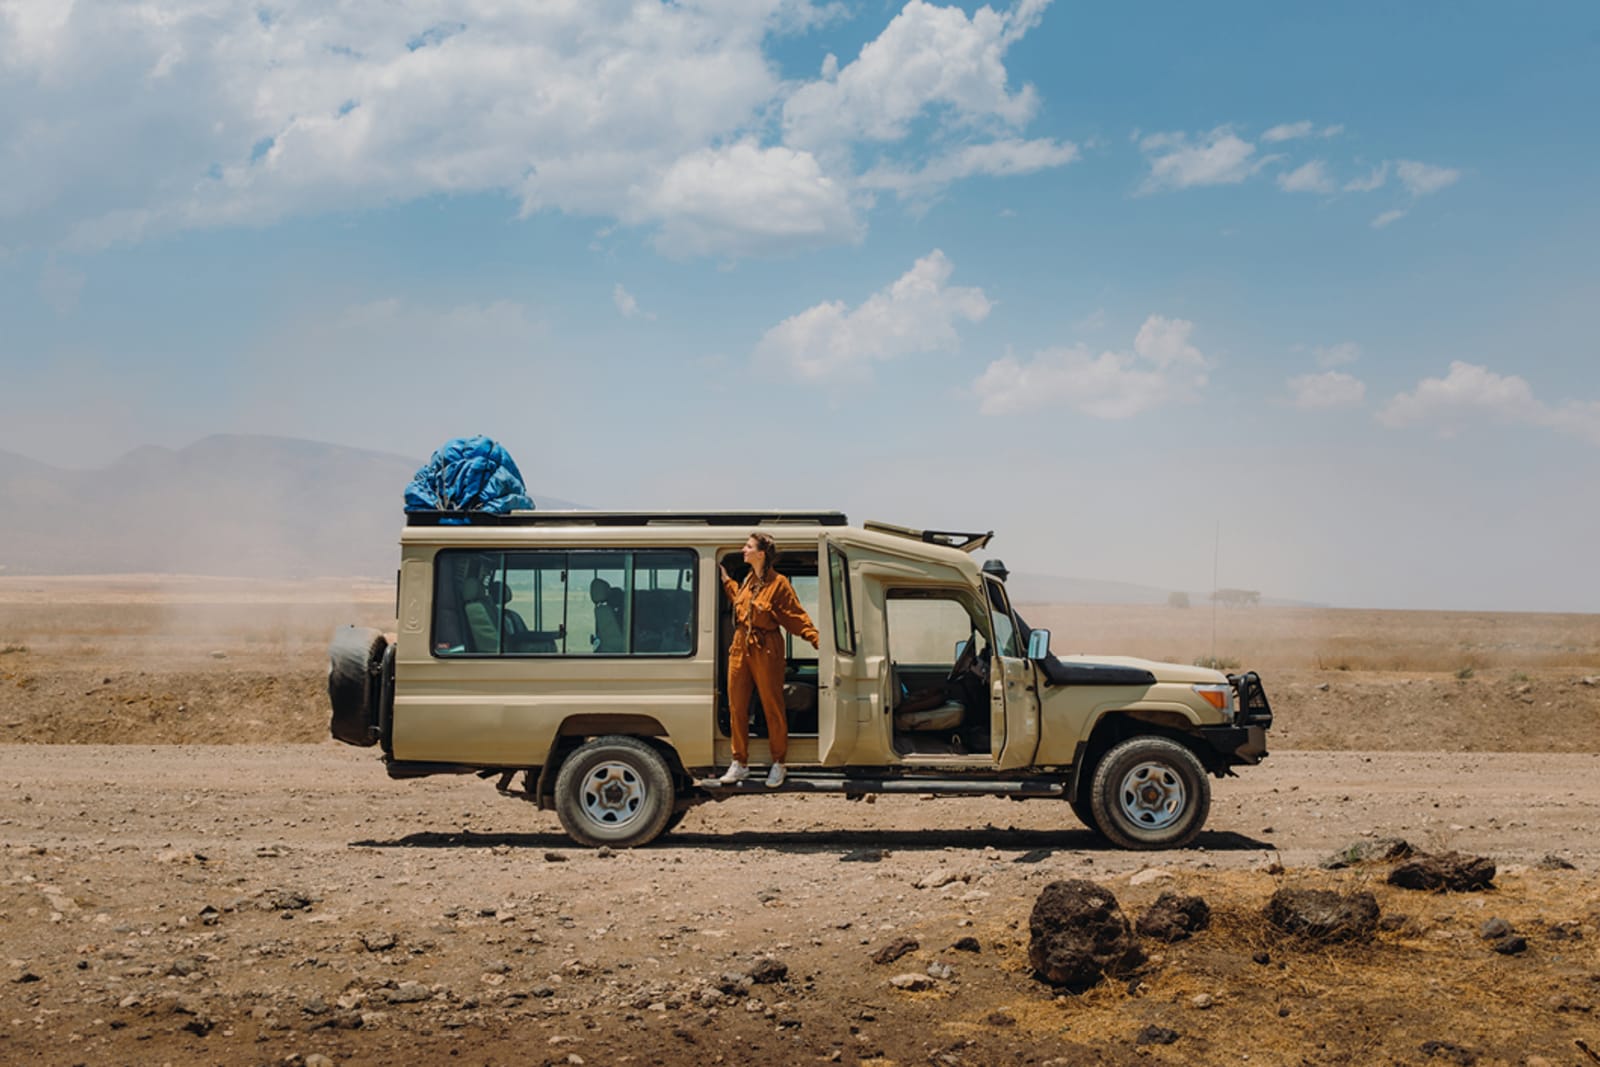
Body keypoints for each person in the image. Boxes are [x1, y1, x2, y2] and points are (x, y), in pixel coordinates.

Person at [719, 532, 819, 787]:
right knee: (737, 706)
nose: (743, 550)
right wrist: (726, 581)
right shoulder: (746, 580)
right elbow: (741, 604)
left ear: (761, 553)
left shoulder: (779, 584)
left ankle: (778, 763)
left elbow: (795, 616)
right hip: (741, 645)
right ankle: (739, 762)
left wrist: (817, 640)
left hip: (767, 647)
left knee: (772, 705)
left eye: (748, 546)